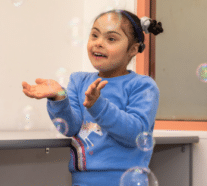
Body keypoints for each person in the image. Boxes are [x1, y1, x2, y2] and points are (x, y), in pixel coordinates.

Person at [22, 9, 163, 186]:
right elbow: (69, 127)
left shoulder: (143, 86)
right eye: (95, 35)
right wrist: (58, 98)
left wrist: (98, 106)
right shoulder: (78, 80)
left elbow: (135, 133)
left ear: (133, 49)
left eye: (111, 39)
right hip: (81, 181)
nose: (98, 43)